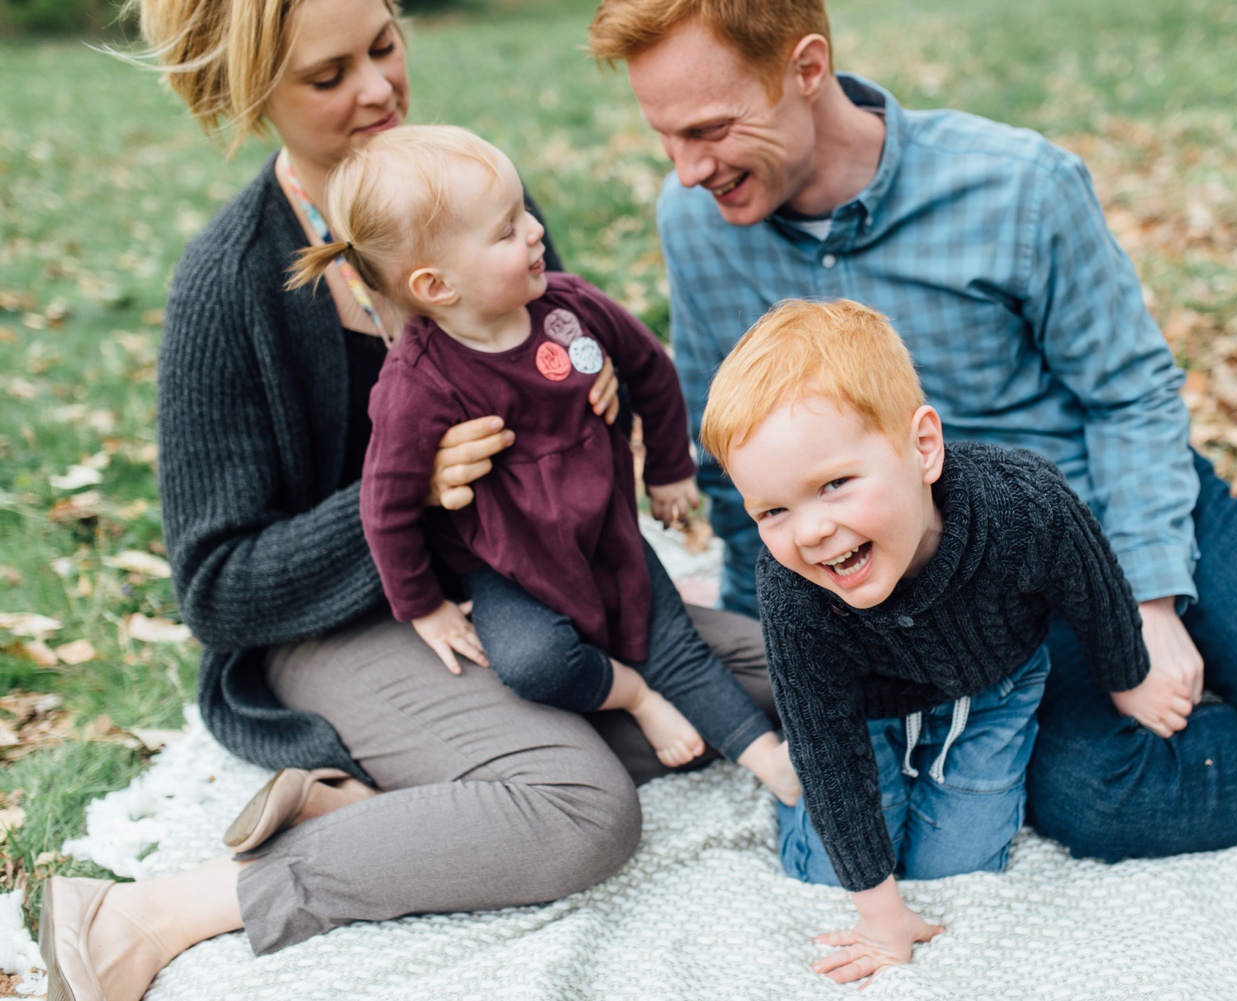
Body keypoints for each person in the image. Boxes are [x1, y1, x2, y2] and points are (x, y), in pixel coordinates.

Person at [587, 0, 1237, 978]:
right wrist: (774, 645)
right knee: (1091, 791)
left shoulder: (1017, 185)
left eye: (710, 129)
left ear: (805, 67)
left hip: (1108, 505)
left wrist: (1149, 598)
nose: (686, 167)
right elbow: (733, 456)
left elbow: (1133, 393)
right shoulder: (698, 223)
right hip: (972, 590)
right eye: (664, 136)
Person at [38, 1, 775, 998]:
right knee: (580, 805)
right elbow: (216, 590)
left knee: (776, 670)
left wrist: (595, 384)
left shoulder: (466, 191)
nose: (379, 88)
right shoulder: (230, 286)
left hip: (527, 579)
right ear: (259, 94)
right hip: (337, 622)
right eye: (329, 75)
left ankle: (370, 805)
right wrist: (408, 491)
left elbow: (565, 337)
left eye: (384, 47)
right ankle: (158, 909)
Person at [286, 124, 797, 791]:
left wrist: (670, 468)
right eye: (505, 231)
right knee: (536, 663)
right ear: (436, 286)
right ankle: (632, 696)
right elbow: (386, 506)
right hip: (508, 567)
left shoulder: (570, 307)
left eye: (522, 210)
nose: (533, 231)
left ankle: (770, 762)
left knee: (676, 643)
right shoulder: (417, 384)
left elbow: (650, 370)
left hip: (606, 536)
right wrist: (424, 605)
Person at [701, 298, 1154, 974]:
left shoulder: (1022, 504)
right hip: (864, 713)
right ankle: (813, 806)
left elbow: (1094, 584)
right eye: (774, 509)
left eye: (834, 484)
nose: (810, 531)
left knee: (960, 868)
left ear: (923, 447)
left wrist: (1129, 678)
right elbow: (828, 741)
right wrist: (881, 914)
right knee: (836, 875)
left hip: (993, 685)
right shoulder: (793, 586)